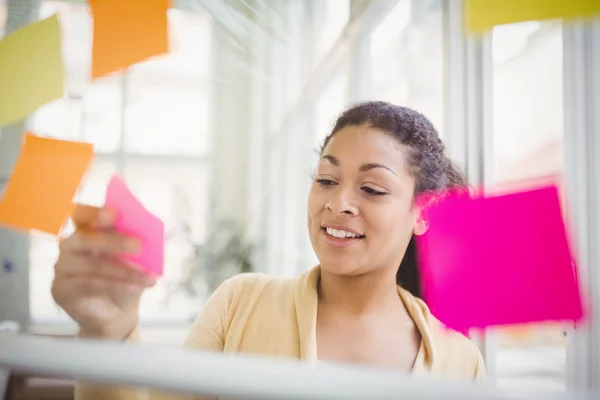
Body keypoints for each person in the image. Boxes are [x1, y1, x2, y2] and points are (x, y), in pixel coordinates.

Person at [52, 101, 485, 400]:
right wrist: (108, 332)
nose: (338, 204)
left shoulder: (459, 360)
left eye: (371, 188)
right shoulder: (241, 304)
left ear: (424, 211)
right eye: (326, 180)